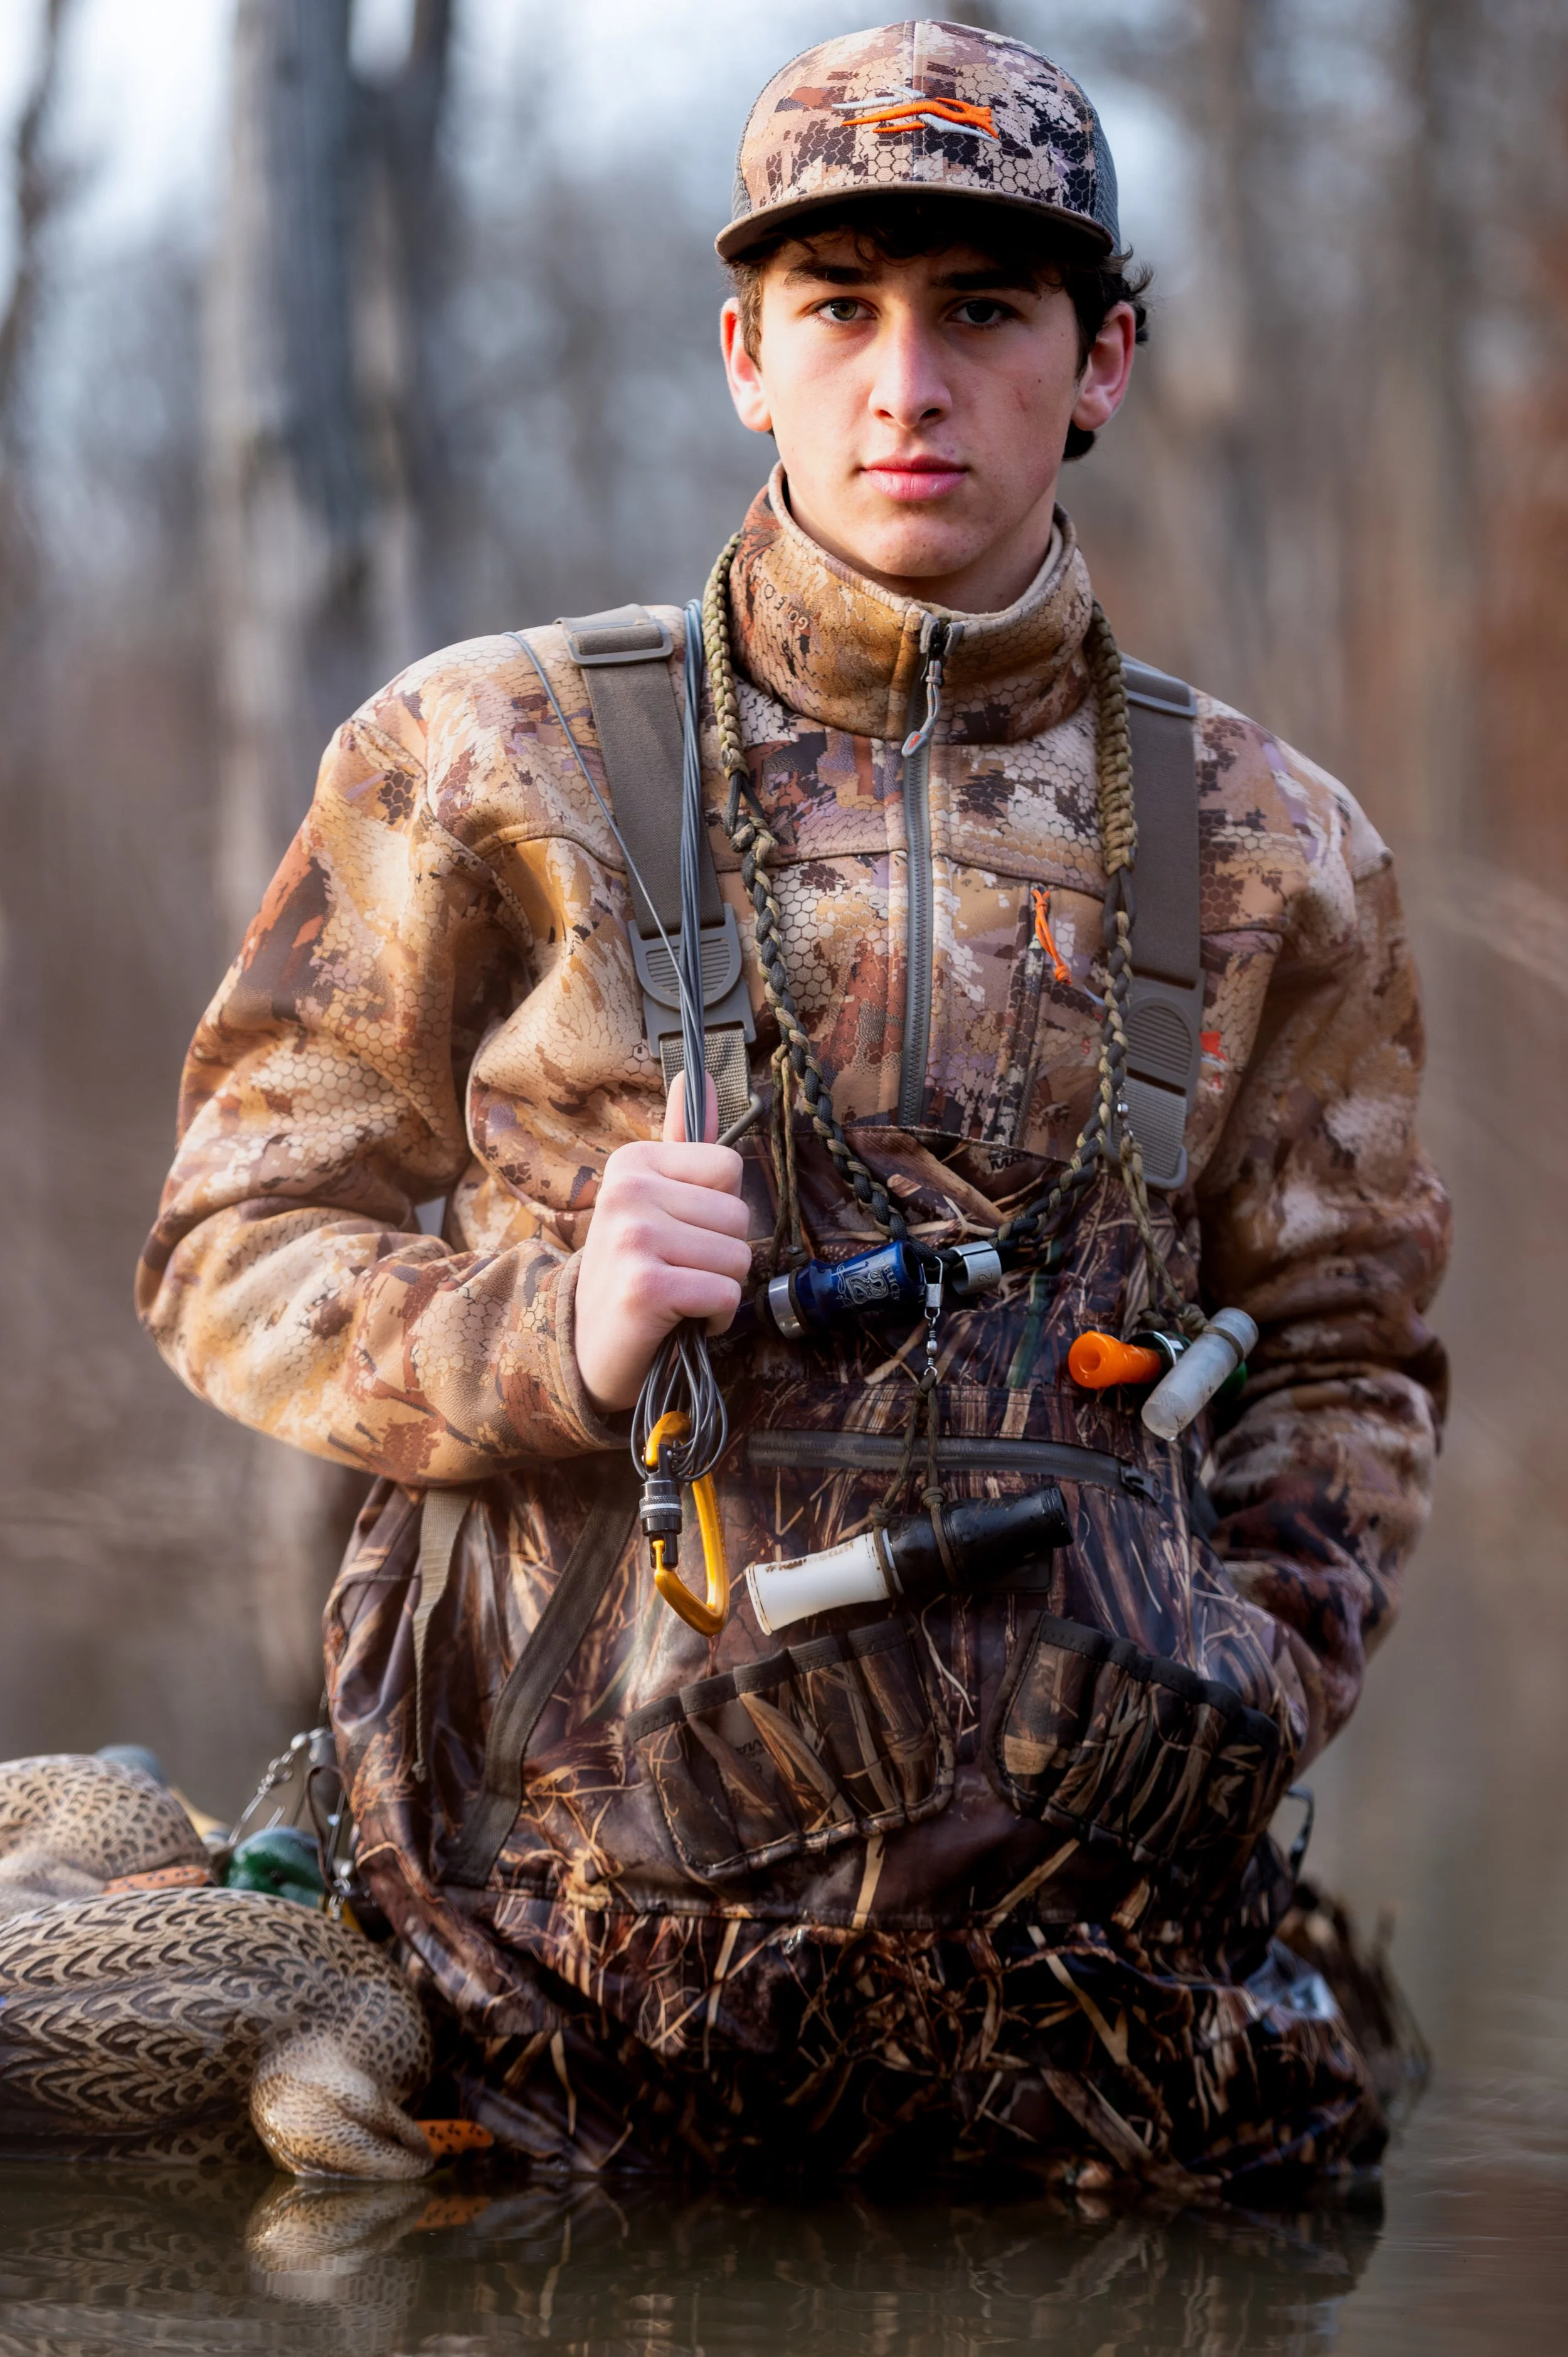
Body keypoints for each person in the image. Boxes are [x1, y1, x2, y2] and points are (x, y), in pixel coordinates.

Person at [138, 21, 1449, 2196]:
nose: (904, 385)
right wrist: (543, 1334)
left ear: (1100, 358)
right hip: (536, 1998)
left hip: (1096, 2046)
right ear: (742, 351)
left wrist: (1239, 1683)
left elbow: (1349, 1356)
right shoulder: (487, 758)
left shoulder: (1277, 849)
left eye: (982, 311)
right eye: (838, 309)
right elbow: (226, 1246)